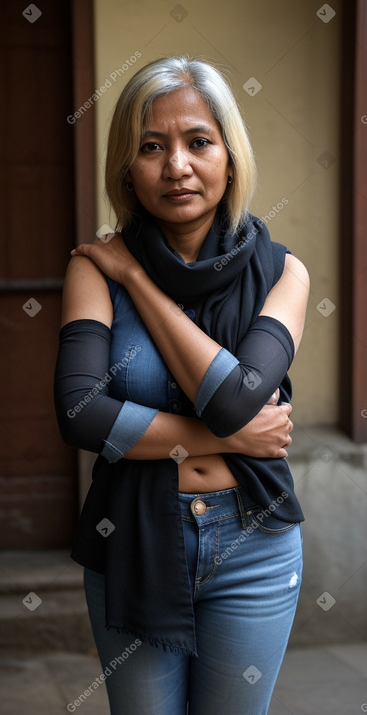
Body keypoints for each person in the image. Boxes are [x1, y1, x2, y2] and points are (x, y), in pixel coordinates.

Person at [54, 55, 309, 715]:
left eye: (198, 141)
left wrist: (139, 281)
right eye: (150, 146)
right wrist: (235, 436)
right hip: (131, 540)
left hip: (253, 545)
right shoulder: (92, 272)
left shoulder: (284, 274)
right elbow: (81, 413)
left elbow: (231, 399)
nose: (176, 166)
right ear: (125, 169)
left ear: (229, 156)